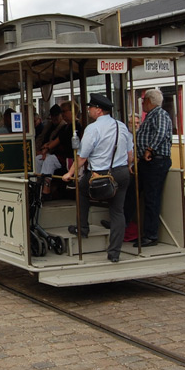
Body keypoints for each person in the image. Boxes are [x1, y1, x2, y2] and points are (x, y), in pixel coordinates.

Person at [61, 94, 133, 263]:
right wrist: (128, 166)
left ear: (98, 110)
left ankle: (83, 228)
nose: (88, 110)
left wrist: (69, 173)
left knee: (82, 190)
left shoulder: (93, 129)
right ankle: (114, 253)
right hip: (122, 173)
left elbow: (82, 157)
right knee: (117, 211)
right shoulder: (121, 126)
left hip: (100, 176)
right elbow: (130, 155)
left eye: (90, 107)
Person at [135, 89, 173, 247]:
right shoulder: (152, 115)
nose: (142, 104)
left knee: (152, 198)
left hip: (155, 161)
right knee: (136, 192)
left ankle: (151, 235)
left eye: (144, 101)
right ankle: (131, 227)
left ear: (149, 101)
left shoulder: (159, 114)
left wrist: (150, 149)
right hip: (147, 161)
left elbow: (161, 132)